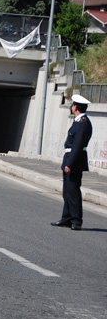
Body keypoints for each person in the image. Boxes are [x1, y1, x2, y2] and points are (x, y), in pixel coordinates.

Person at [51, 94, 93, 231]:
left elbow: (78, 145)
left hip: (74, 160)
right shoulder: (79, 121)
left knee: (73, 191)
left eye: (73, 105)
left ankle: (76, 221)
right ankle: (67, 218)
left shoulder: (82, 123)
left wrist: (70, 163)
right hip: (71, 157)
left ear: (75, 107)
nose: (72, 107)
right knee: (68, 190)